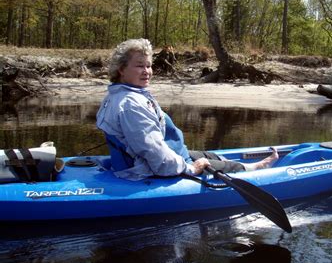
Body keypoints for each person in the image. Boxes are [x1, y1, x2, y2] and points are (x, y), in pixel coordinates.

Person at [96, 38, 278, 181]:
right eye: (139, 66)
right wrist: (191, 169)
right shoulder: (131, 105)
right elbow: (155, 154)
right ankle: (254, 169)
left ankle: (226, 162)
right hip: (146, 169)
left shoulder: (117, 95)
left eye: (149, 65)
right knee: (208, 163)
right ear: (121, 69)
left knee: (207, 155)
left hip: (158, 156)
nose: (147, 71)